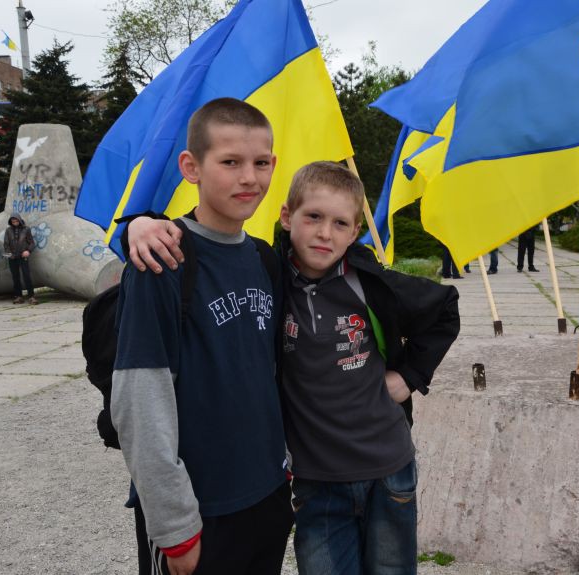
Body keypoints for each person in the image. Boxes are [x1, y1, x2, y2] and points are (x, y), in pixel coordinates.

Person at [127, 162, 461, 575]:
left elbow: (445, 309)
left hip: (388, 471)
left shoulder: (369, 281)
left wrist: (410, 377)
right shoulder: (270, 273)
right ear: (288, 217)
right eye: (314, 217)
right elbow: (211, 236)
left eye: (341, 223)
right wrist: (140, 224)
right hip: (315, 481)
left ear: (355, 231)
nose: (325, 233)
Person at [112, 97, 293, 575]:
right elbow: (139, 398)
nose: (248, 178)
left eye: (259, 163)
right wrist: (175, 527)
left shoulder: (265, 259)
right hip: (199, 513)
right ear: (191, 167)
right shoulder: (162, 260)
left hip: (268, 496)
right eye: (230, 162)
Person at [3, 213, 37, 304]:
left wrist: (28, 251)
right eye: (13, 221)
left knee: (27, 276)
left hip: (23, 256)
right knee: (15, 277)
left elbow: (32, 243)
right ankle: (18, 296)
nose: (15, 222)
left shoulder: (26, 229)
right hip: (13, 257)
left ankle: (31, 296)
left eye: (16, 220)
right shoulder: (8, 230)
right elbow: (6, 244)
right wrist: (10, 254)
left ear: (19, 220)